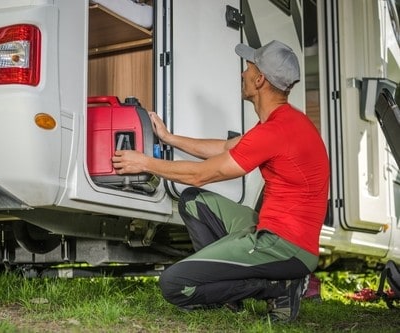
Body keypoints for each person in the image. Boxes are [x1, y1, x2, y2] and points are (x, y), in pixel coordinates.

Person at [112, 40, 330, 322]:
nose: (243, 73)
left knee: (174, 285)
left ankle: (279, 286)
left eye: (248, 68)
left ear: (260, 79)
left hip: (286, 247)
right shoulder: (285, 123)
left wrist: (144, 162)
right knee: (192, 201)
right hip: (273, 229)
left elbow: (201, 174)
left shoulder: (276, 131)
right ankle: (229, 292)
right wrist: (169, 138)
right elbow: (224, 148)